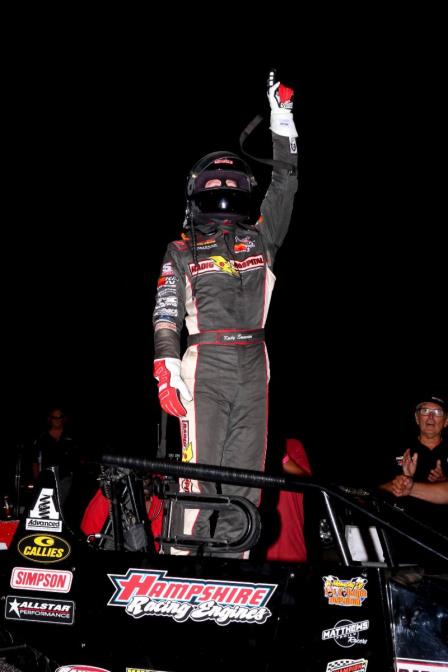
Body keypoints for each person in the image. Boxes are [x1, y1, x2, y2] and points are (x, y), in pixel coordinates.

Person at [152, 71, 299, 555]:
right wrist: (165, 366)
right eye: (212, 183)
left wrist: (282, 119)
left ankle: (236, 573)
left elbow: (286, 182)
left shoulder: (261, 238)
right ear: (195, 192)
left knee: (245, 478)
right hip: (206, 365)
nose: (221, 188)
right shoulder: (182, 246)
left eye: (228, 182)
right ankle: (178, 567)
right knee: (199, 477)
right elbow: (167, 309)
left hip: (256, 362)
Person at [379, 393, 448, 535]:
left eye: (438, 412)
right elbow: (377, 488)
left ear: (446, 421)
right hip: (402, 535)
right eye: (425, 411)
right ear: (417, 418)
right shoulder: (398, 449)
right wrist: (400, 482)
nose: (430, 417)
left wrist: (442, 481)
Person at [30, 405, 82, 527]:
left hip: (65, 477)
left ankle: (63, 530)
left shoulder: (71, 436)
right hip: (46, 478)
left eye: (60, 417)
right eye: (54, 417)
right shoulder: (42, 437)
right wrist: (37, 480)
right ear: (50, 419)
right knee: (46, 507)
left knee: (62, 506)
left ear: (64, 419)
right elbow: (35, 460)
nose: (57, 420)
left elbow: (78, 458)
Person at [265, 438, 312, 562]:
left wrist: (281, 456)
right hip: (252, 550)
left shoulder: (292, 444)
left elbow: (306, 480)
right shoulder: (246, 447)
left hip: (290, 551)